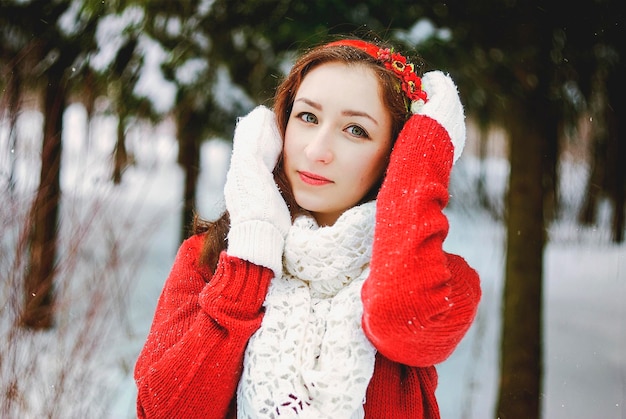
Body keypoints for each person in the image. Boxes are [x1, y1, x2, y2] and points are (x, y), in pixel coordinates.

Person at [134, 37, 481, 419]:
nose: (317, 151)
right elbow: (163, 412)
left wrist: (426, 148)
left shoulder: (441, 281)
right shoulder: (208, 261)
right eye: (308, 117)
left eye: (355, 130)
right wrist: (252, 255)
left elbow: (398, 319)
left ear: (395, 154)